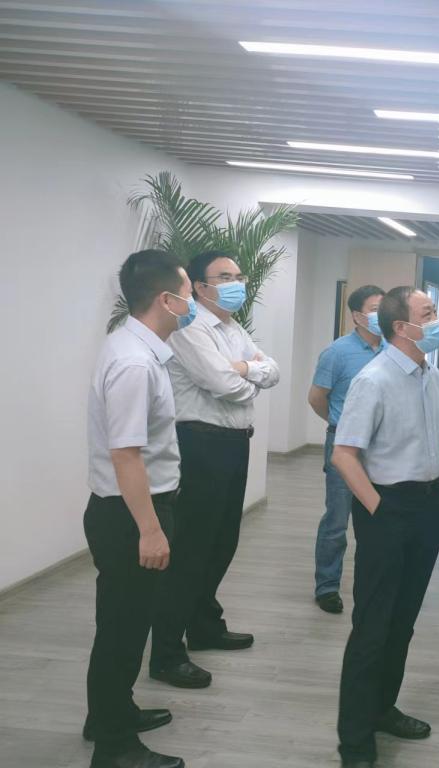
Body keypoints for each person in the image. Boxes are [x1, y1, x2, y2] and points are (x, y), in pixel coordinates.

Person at [149, 250, 280, 689]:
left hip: (233, 444)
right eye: (224, 276)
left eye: (238, 275)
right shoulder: (191, 328)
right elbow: (224, 384)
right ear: (200, 287)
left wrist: (244, 370)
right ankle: (167, 653)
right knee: (191, 549)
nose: (236, 282)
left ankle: (204, 625)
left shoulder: (232, 327)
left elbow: (272, 371)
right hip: (200, 444)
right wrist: (246, 375)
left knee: (222, 542)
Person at [331, 286, 439, 768]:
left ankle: (383, 708)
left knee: (403, 621)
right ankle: (355, 740)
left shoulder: (433, 375)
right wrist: (380, 512)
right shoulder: (373, 379)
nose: (437, 319)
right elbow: (344, 455)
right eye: (428, 313)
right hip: (388, 509)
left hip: (428, 507)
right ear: (402, 327)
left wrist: (437, 489)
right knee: (373, 627)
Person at [84, 250, 191, 768]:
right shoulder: (133, 362)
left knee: (121, 624)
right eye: (188, 294)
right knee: (123, 633)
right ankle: (115, 748)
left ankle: (109, 714)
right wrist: (150, 530)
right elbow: (125, 454)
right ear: (166, 300)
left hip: (126, 510)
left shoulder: (136, 348)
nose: (191, 304)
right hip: (130, 515)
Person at [307, 284, 385, 614]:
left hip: (381, 447)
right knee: (337, 519)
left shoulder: (392, 350)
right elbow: (316, 398)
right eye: (375, 309)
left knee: (378, 517)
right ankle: (327, 586)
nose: (383, 314)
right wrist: (340, 424)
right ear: (357, 316)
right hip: (344, 444)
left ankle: (373, 584)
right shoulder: (337, 352)